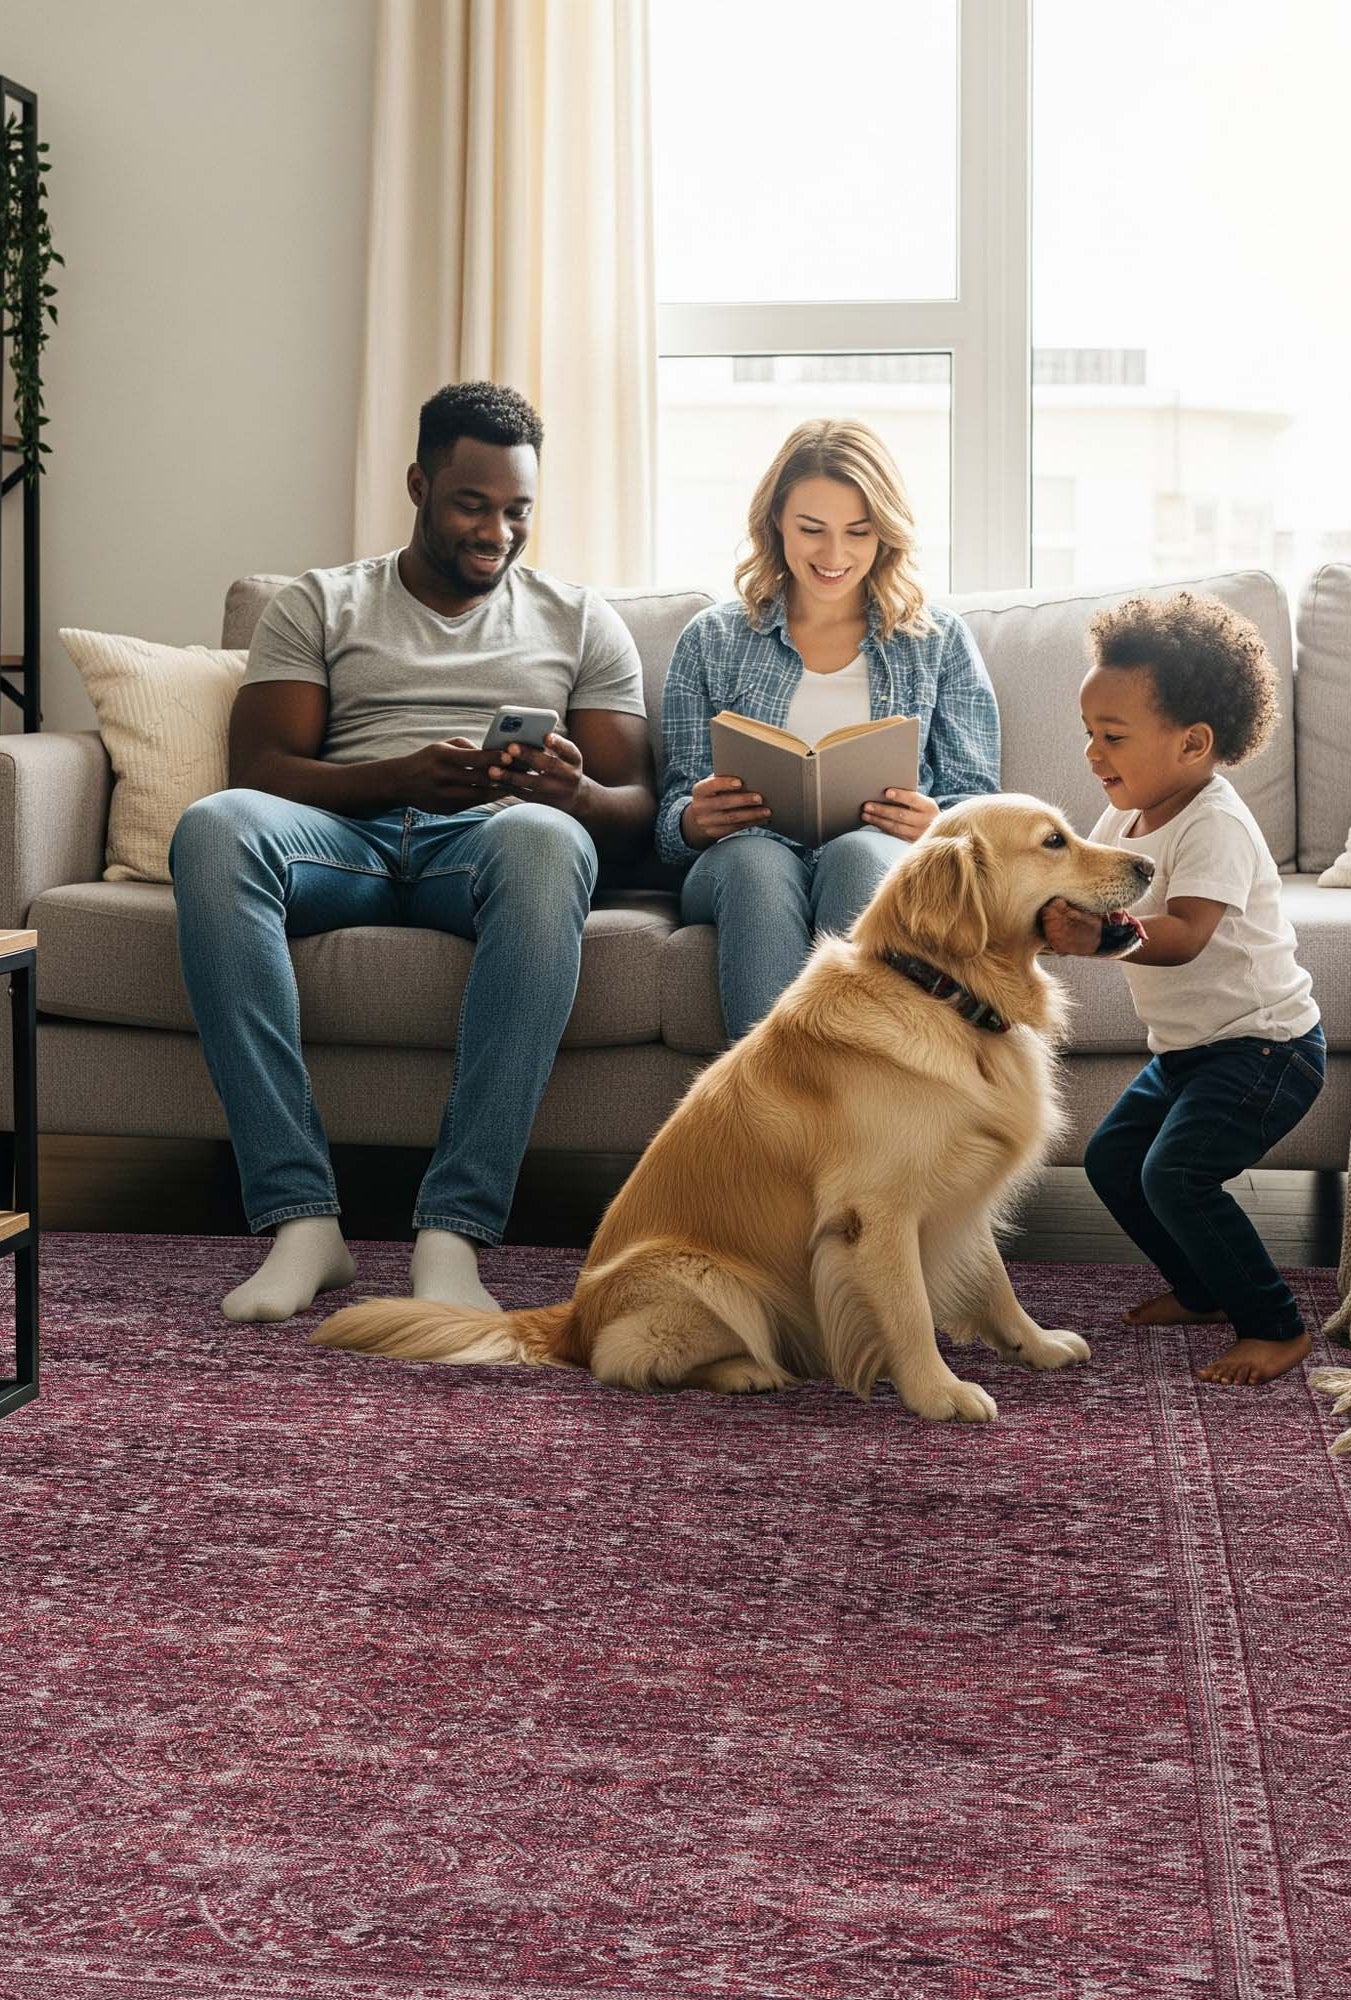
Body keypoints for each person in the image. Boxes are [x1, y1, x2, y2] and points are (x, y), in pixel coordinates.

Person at [170, 381, 653, 1323]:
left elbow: (636, 808)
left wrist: (574, 792)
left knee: (548, 841)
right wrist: (397, 777)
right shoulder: (318, 602)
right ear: (418, 485)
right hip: (343, 838)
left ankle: (454, 1233)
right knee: (215, 826)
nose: (497, 532)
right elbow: (258, 767)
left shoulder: (579, 619)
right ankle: (301, 1221)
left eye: (517, 510)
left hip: (487, 845)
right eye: (472, 504)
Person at [1042, 591, 1325, 1385]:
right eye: (1088, 734)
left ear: (1192, 743)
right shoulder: (1119, 821)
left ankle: (1274, 1325)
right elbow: (1081, 890)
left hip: (1265, 1049)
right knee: (1111, 1161)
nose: (1093, 754)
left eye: (1113, 736)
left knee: (1175, 1173)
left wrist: (1096, 938)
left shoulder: (1213, 823)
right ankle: (1202, 1290)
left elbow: (1185, 932)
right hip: (1189, 1051)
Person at [656, 419, 1000, 1040]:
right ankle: (766, 1113)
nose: (834, 556)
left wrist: (937, 828)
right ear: (775, 526)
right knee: (758, 865)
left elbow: (977, 806)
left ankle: (853, 1114)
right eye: (811, 530)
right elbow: (671, 821)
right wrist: (691, 820)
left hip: (876, 855)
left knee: (859, 854)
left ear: (885, 535)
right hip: (740, 864)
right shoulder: (711, 639)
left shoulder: (939, 642)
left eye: (858, 533)